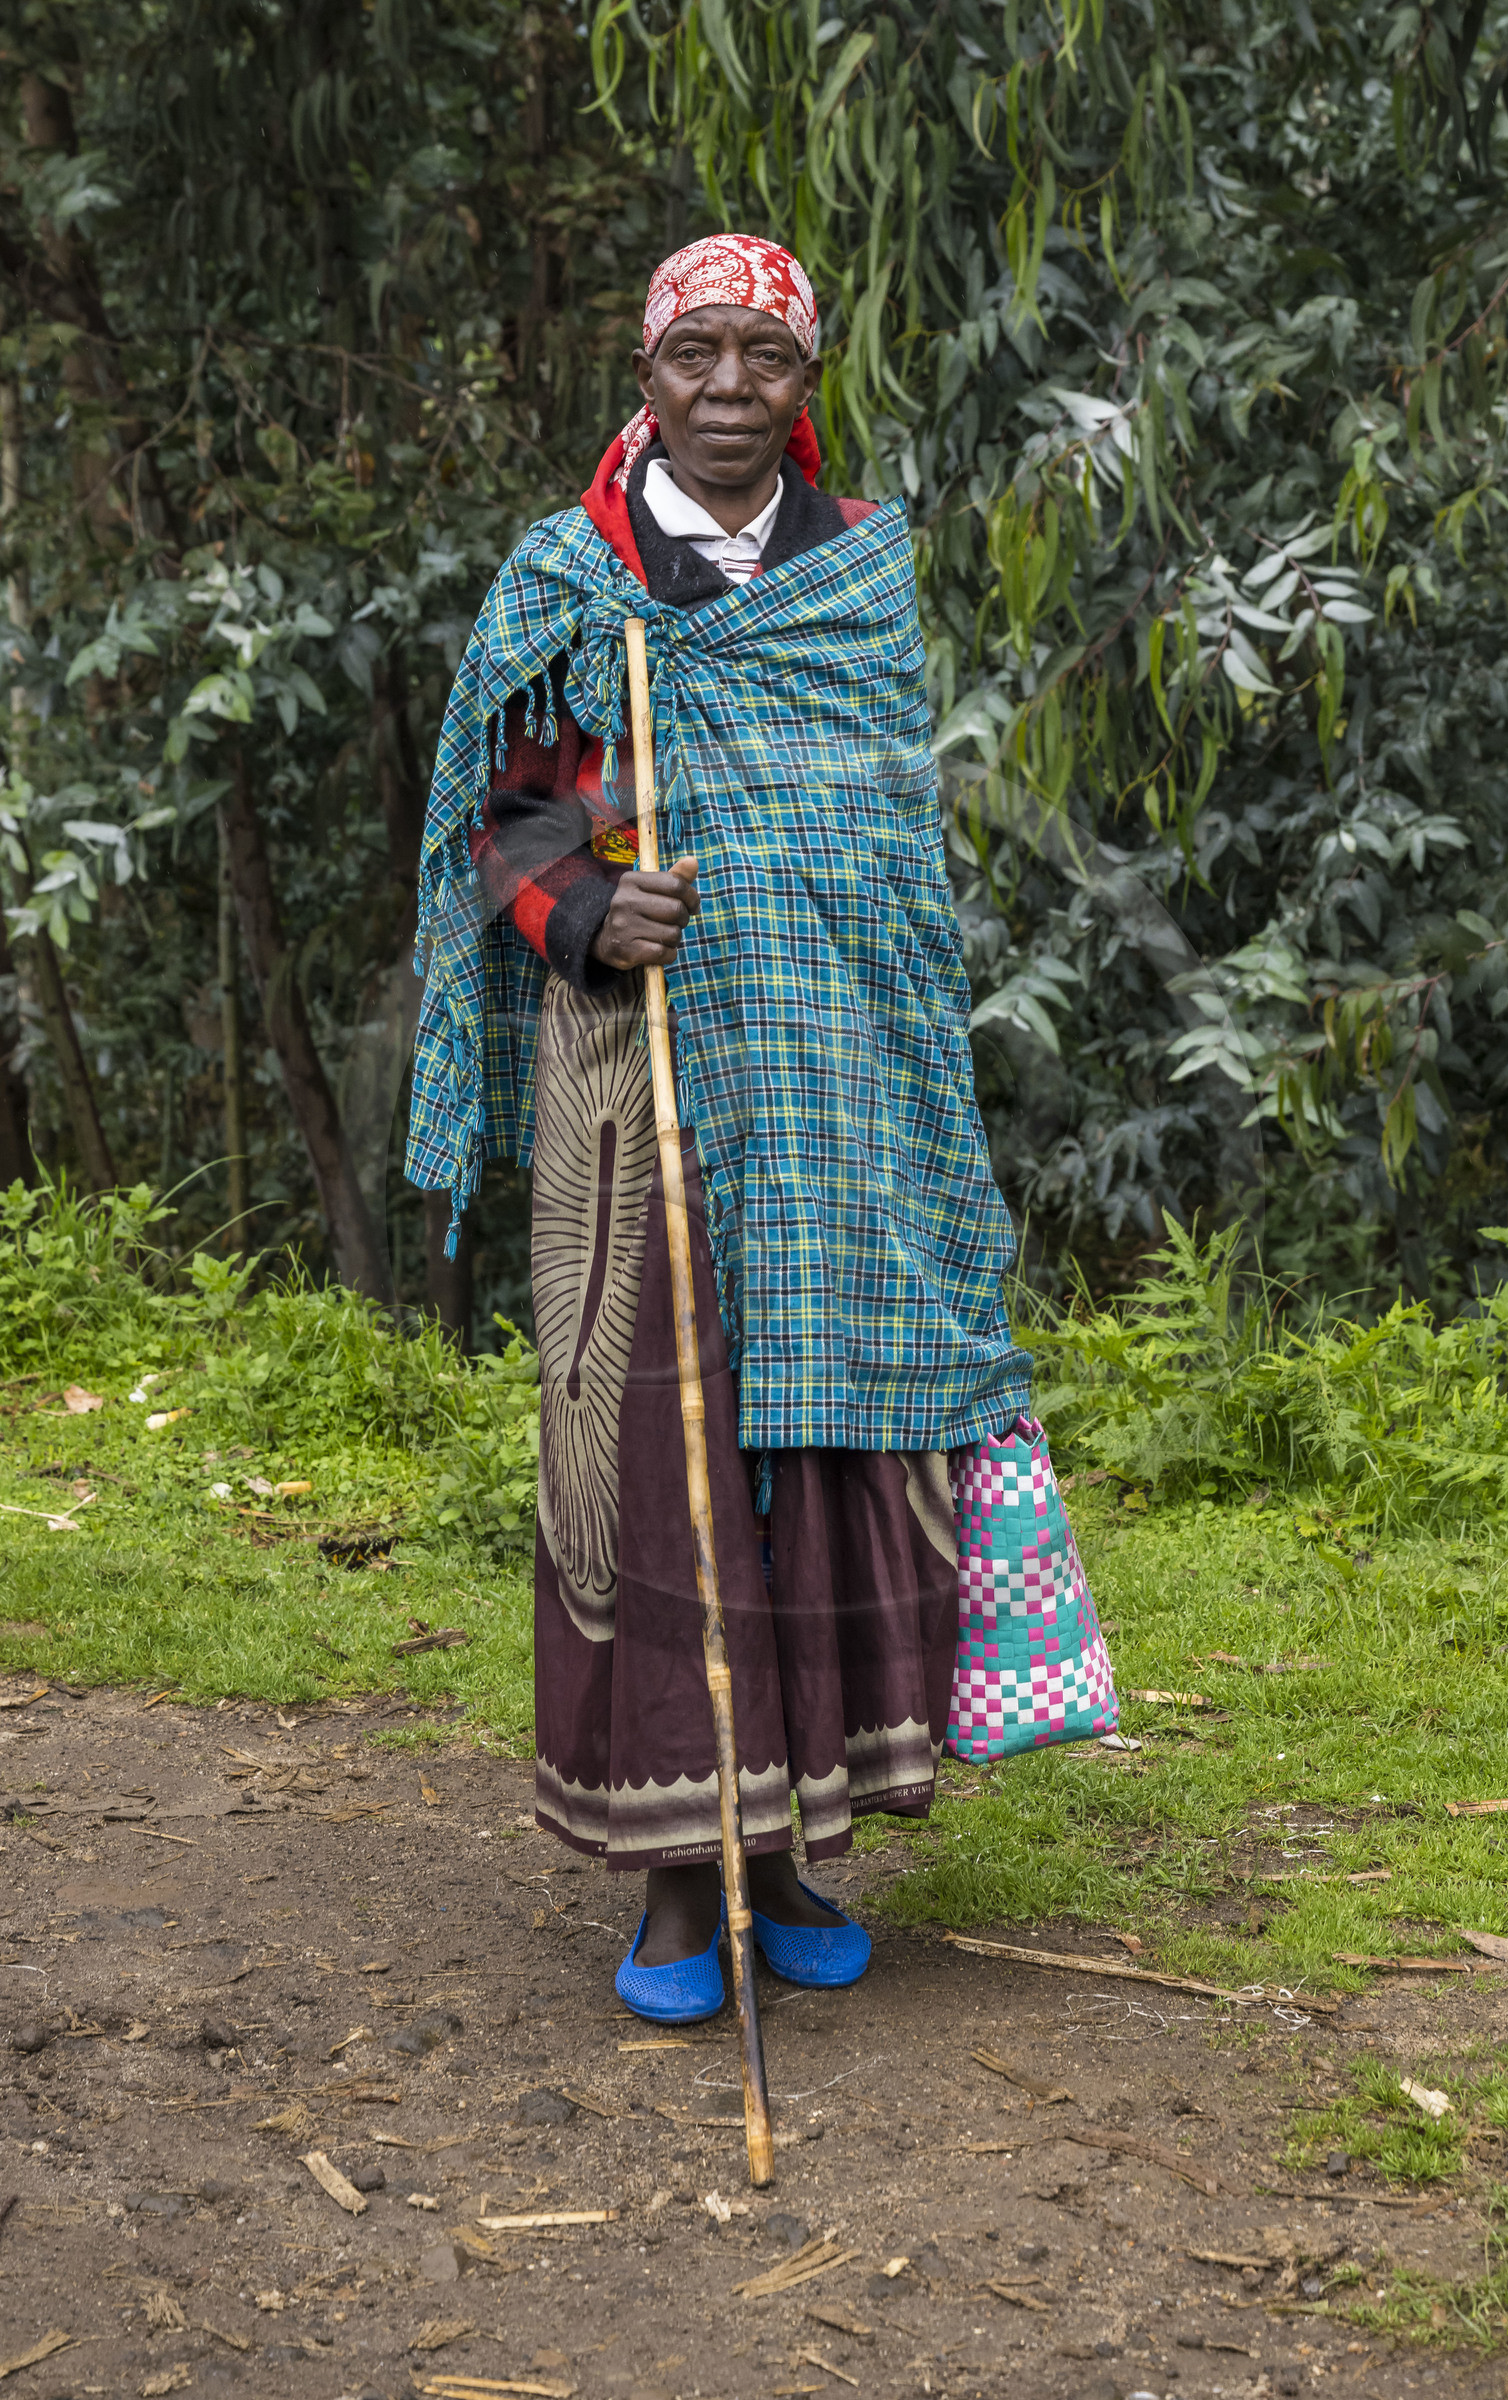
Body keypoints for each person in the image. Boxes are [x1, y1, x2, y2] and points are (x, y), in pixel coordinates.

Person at [407, 234, 1033, 2023]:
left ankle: (791, 1844)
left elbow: (889, 835)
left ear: (803, 379)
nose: (735, 389)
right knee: (660, 1440)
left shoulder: (854, 570)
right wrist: (595, 914)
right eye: (704, 356)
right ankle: (679, 1876)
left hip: (834, 1085)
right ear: (650, 371)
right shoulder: (571, 574)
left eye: (769, 356)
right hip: (649, 1087)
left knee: (811, 1452)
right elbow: (502, 817)